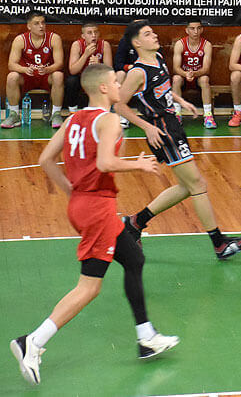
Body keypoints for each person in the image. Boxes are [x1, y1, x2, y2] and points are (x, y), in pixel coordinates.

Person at [9, 64, 178, 385]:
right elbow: (105, 163)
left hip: (83, 205)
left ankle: (146, 337)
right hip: (97, 209)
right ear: (103, 88)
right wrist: (138, 165)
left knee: (134, 258)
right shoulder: (109, 119)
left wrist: (72, 191)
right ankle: (32, 341)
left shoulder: (73, 119)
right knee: (90, 287)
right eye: (115, 82)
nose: (118, 87)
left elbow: (45, 159)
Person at [114, 20, 241, 259]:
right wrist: (147, 127)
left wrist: (180, 100)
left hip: (173, 125)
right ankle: (219, 243)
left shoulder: (158, 59)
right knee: (197, 184)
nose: (154, 35)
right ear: (137, 43)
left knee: (187, 187)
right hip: (162, 130)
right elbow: (119, 104)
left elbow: (163, 89)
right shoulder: (137, 72)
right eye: (148, 34)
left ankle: (136, 222)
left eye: (153, 31)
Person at [3, 9, 65, 129]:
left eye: (43, 22)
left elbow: (60, 64)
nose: (41, 26)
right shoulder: (20, 39)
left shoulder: (54, 38)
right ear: (29, 26)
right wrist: (24, 69)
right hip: (28, 76)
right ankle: (14, 114)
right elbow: (11, 65)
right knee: (12, 76)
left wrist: (47, 69)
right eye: (36, 23)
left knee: (58, 75)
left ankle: (56, 114)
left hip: (46, 75)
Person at [171, 20, 216, 129]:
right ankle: (177, 114)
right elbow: (176, 68)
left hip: (198, 76)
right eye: (192, 28)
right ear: (187, 30)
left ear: (202, 29)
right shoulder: (180, 44)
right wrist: (186, 74)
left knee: (205, 79)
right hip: (184, 76)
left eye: (198, 28)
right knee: (176, 78)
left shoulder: (207, 45)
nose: (196, 31)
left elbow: (206, 69)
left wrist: (194, 73)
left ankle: (208, 115)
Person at [66, 23, 113, 112]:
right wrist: (85, 55)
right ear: (83, 36)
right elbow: (72, 70)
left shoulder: (104, 45)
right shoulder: (77, 45)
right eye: (89, 33)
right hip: (82, 76)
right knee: (71, 80)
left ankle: (102, 109)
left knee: (108, 81)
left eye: (96, 32)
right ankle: (72, 111)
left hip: (98, 77)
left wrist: (99, 64)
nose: (93, 35)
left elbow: (110, 71)